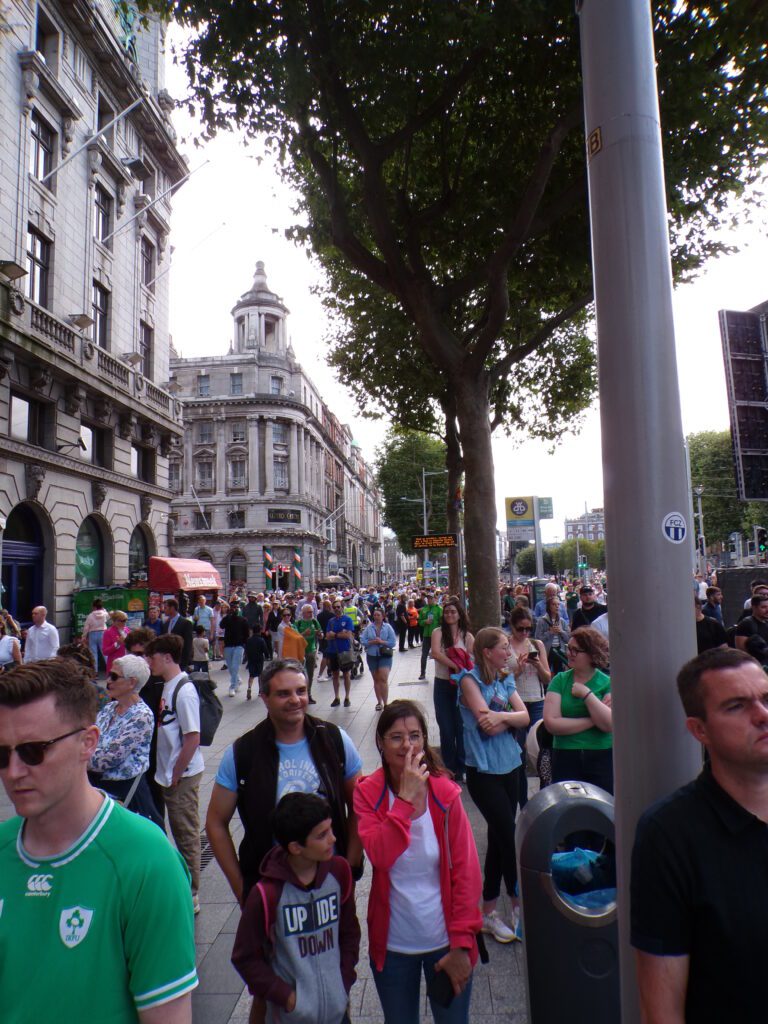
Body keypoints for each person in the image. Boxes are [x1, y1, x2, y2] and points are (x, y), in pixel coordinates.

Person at [0, 658, 197, 1021]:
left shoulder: (147, 861)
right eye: (1, 754)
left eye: (33, 751)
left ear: (87, 743)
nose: (13, 772)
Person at [631, 648, 768, 1023]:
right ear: (699, 730)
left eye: (767, 698)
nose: (762, 715)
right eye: (737, 706)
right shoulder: (670, 834)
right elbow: (662, 1008)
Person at [354, 700, 483, 1024]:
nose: (407, 745)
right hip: (394, 945)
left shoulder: (445, 793)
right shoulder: (368, 793)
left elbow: (467, 874)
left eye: (414, 735)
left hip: (445, 941)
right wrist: (405, 801)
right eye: (396, 737)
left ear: (425, 740)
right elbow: (381, 856)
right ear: (381, 743)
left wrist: (463, 944)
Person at [205, 659, 364, 907]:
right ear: (265, 698)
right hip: (272, 885)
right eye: (283, 693)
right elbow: (215, 822)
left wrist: (351, 865)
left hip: (330, 878)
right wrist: (242, 888)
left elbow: (360, 805)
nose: (295, 700)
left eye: (300, 691)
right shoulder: (243, 753)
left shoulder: (333, 739)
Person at [231, 792, 360, 1024]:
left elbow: (350, 932)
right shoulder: (266, 894)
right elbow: (245, 957)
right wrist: (288, 998)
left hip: (337, 1013)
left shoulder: (339, 873)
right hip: (291, 1017)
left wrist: (343, 981)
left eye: (330, 830)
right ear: (296, 847)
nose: (332, 839)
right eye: (321, 835)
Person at [454, 627, 529, 944]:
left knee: (500, 836)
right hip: (483, 771)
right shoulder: (468, 681)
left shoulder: (504, 679)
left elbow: (524, 717)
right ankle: (516, 904)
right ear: (487, 651)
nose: (509, 652)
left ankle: (487, 911)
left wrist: (504, 719)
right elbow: (483, 719)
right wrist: (507, 717)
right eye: (503, 647)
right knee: (506, 833)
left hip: (511, 764)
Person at [145, 634, 204, 914]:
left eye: (152, 657)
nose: (149, 662)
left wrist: (177, 772)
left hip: (181, 773)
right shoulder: (167, 685)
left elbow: (193, 736)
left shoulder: (184, 689)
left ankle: (192, 892)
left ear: (167, 657)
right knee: (178, 830)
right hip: (168, 772)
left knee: (186, 832)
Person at [88, 653, 162, 827]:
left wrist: (75, 757)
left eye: (114, 676)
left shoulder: (141, 716)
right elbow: (88, 741)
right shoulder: (109, 708)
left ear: (132, 682)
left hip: (125, 793)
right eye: (109, 674)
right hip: (100, 788)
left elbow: (108, 758)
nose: (108, 680)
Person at [543, 626, 613, 793]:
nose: (569, 653)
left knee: (601, 810)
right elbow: (552, 724)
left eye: (576, 650)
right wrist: (592, 719)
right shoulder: (560, 680)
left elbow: (608, 724)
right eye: (569, 648)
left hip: (601, 755)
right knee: (570, 810)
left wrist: (587, 694)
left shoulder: (607, 682)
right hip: (566, 755)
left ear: (591, 654)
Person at [507, 606, 551, 808]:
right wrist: (518, 669)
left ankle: (545, 797)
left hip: (536, 700)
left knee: (542, 752)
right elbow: (502, 679)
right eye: (520, 629)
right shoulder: (505, 644)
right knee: (519, 753)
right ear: (512, 626)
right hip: (515, 701)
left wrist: (537, 665)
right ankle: (522, 801)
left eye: (528, 629)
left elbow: (547, 677)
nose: (524, 633)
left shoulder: (536, 644)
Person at [430, 597, 474, 781]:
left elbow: (472, 658)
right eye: (446, 612)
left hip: (462, 687)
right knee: (446, 729)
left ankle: (463, 766)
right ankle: (449, 767)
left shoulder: (467, 636)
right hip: (442, 685)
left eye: (453, 612)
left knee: (461, 727)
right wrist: (455, 665)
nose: (449, 614)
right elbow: (436, 653)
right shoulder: (437, 632)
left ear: (459, 614)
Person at [361, 606, 397, 711]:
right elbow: (363, 640)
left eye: (378, 615)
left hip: (385, 655)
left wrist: (381, 642)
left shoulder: (388, 627)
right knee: (376, 679)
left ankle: (386, 703)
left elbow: (393, 642)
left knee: (383, 678)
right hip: (372, 656)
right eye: (375, 615)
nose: (376, 617)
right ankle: (379, 702)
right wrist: (372, 642)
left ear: (383, 616)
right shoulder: (369, 628)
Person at [325, 600, 355, 708]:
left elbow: (347, 635)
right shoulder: (331, 621)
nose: (336, 609)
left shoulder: (347, 619)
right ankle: (336, 697)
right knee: (335, 675)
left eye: (338, 607)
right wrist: (339, 633)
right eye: (335, 607)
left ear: (342, 608)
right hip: (333, 651)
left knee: (346, 674)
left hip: (344, 650)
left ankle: (347, 697)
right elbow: (327, 635)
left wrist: (336, 635)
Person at [534, 593, 571, 672]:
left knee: (559, 671)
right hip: (547, 650)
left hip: (560, 650)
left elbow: (568, 638)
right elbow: (537, 638)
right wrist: (549, 632)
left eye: (558, 604)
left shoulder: (562, 621)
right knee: (546, 670)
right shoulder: (542, 621)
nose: (557, 606)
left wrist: (561, 631)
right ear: (549, 606)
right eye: (554, 604)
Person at [221, 600, 251, 696]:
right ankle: (237, 679)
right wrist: (227, 615)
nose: (234, 609)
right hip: (228, 645)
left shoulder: (243, 620)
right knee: (230, 667)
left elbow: (246, 635)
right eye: (233, 607)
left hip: (239, 646)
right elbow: (221, 625)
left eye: (236, 607)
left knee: (235, 666)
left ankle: (232, 686)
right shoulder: (227, 618)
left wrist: (246, 647)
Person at [295, 603, 323, 703]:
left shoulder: (314, 622)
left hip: (312, 650)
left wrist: (319, 634)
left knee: (310, 674)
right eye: (309, 612)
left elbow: (321, 635)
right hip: (301, 651)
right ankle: (300, 694)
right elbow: (295, 638)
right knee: (300, 674)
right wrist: (303, 634)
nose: (311, 614)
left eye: (311, 612)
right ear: (303, 613)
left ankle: (309, 694)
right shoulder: (298, 623)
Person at [162, 598, 194, 671]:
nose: (164, 610)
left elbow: (188, 644)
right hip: (168, 661)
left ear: (172, 608)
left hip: (181, 661)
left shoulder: (185, 623)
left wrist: (185, 662)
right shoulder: (166, 624)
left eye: (166, 608)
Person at [417, 593, 442, 681]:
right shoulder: (424, 609)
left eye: (431, 598)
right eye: (428, 598)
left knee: (438, 654)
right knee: (424, 654)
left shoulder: (439, 609)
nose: (429, 600)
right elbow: (419, 621)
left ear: (435, 599)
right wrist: (425, 622)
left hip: (436, 636)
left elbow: (442, 622)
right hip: (426, 635)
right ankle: (422, 673)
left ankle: (439, 673)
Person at [81, 598, 108, 673]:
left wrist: (84, 637)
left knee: (93, 653)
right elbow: (108, 616)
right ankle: (109, 670)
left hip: (92, 634)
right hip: (103, 633)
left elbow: (86, 627)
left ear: (94, 607)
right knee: (105, 652)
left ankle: (95, 672)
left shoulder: (90, 616)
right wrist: (104, 609)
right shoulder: (104, 614)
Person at [245, 625, 269, 701]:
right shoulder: (261, 640)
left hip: (251, 659)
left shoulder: (249, 640)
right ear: (259, 631)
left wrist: (247, 659)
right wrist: (267, 655)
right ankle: (260, 690)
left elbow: (246, 650)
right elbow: (265, 650)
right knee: (260, 675)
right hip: (259, 659)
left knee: (251, 675)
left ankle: (249, 688)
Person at [102, 609, 128, 673]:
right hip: (115, 666)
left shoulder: (127, 630)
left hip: (127, 665)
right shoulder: (108, 632)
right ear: (114, 621)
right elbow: (105, 651)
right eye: (121, 621)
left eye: (125, 620)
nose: (124, 623)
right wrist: (117, 644)